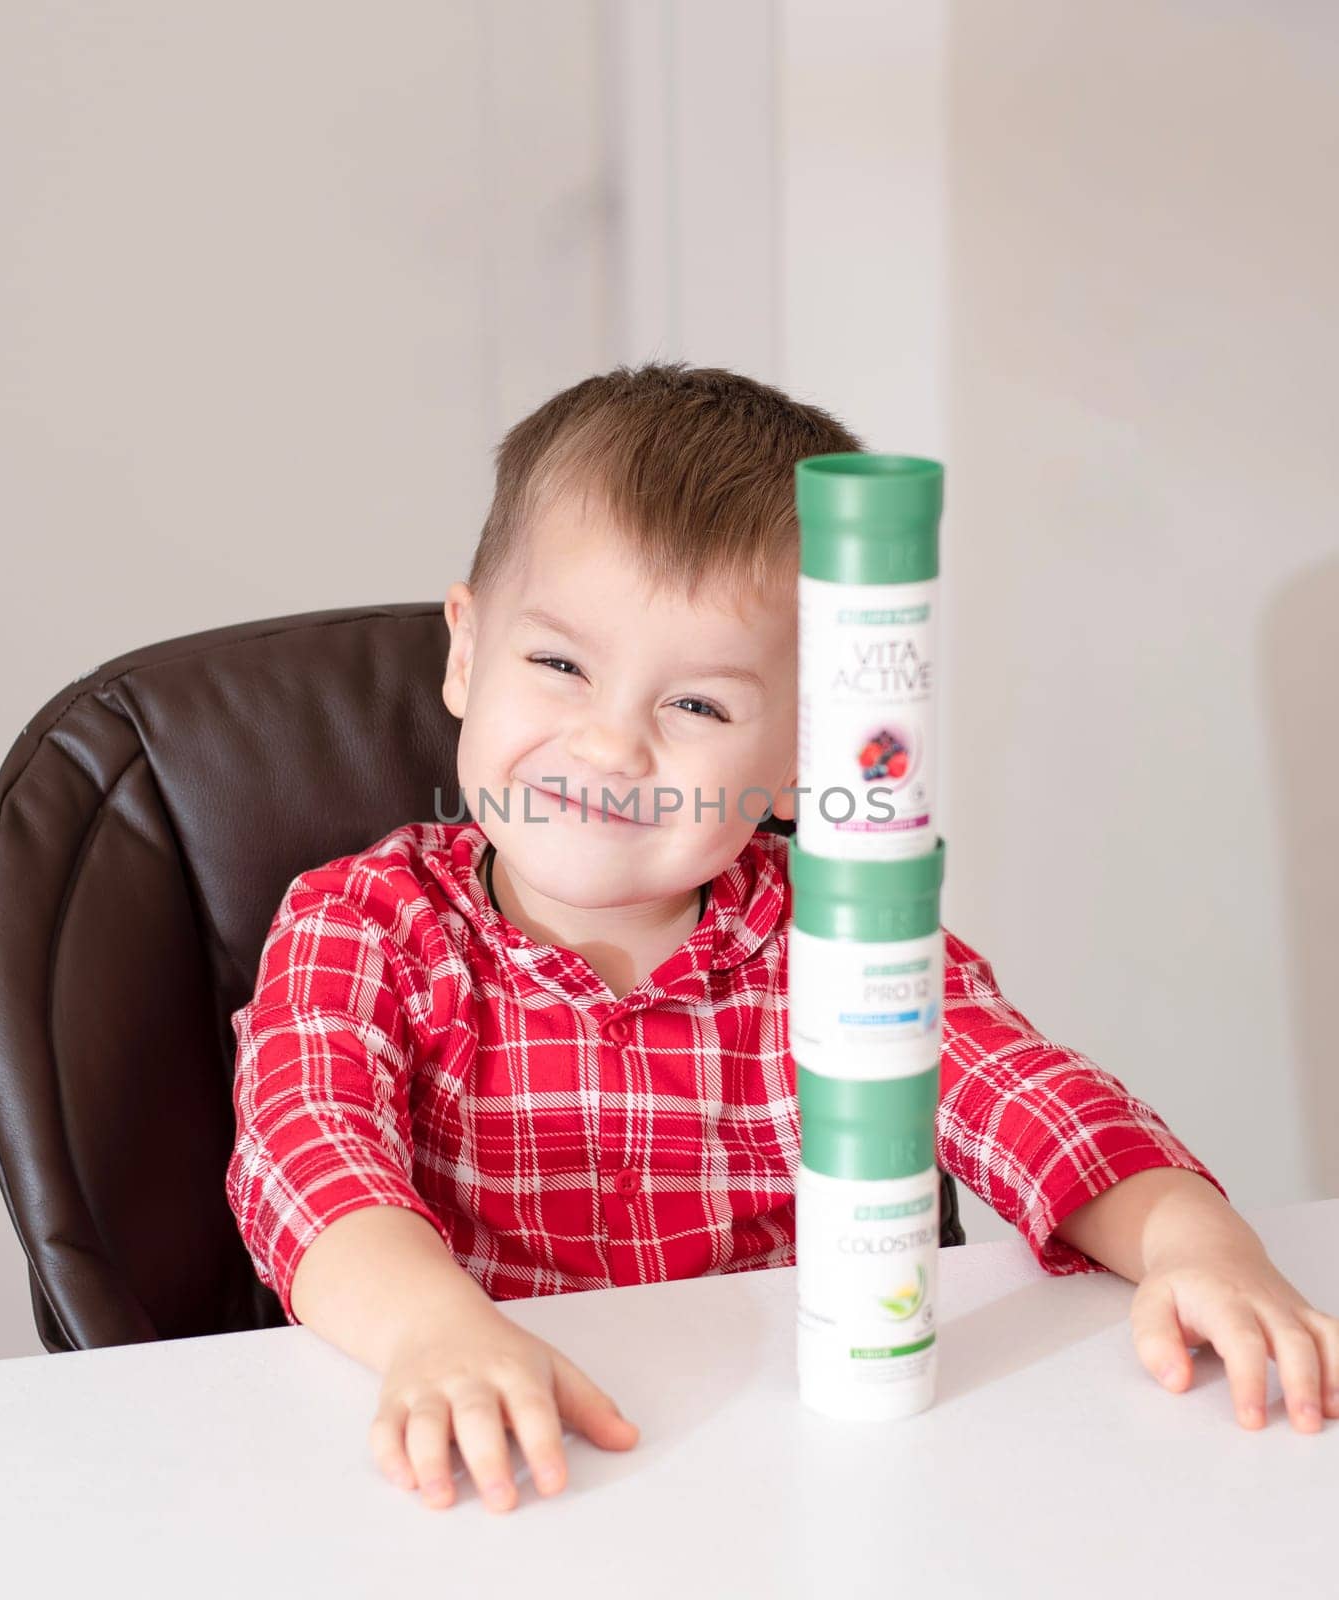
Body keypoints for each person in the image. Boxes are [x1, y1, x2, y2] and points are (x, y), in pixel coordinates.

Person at [226, 361, 1338, 1517]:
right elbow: (309, 1150)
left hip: (797, 1469)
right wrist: (431, 1330)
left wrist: (1200, 1245)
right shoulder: (361, 918)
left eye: (696, 706)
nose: (611, 746)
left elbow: (1030, 1098)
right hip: (500, 1457)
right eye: (558, 664)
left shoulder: (837, 926)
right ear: (464, 653)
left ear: (805, 755)